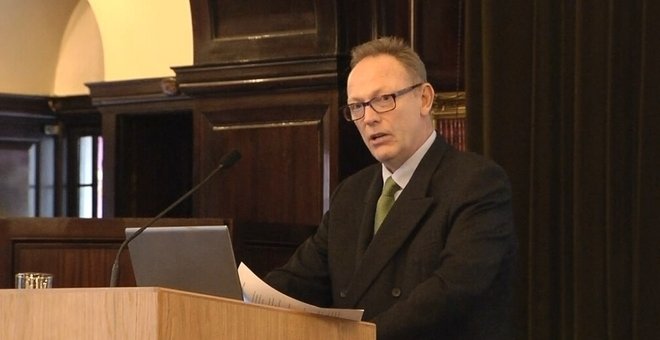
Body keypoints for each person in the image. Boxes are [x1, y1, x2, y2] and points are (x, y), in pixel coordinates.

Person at [264, 36, 517, 340]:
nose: (369, 118)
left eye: (384, 99)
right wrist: (235, 300)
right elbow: (297, 281)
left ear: (424, 99)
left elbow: (452, 291)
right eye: (357, 106)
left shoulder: (476, 183)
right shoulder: (351, 194)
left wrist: (360, 337)